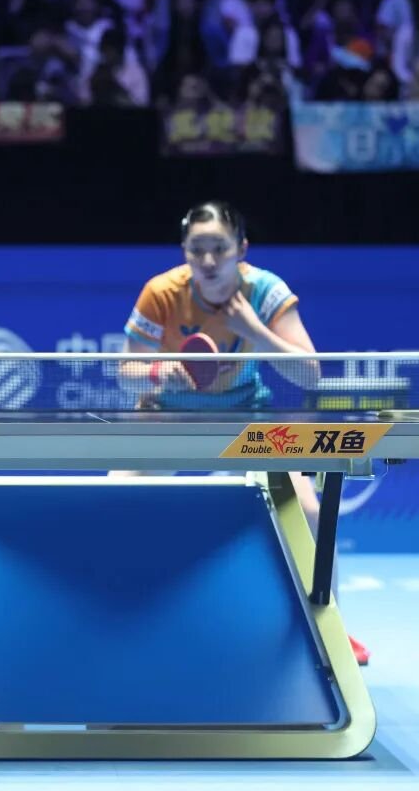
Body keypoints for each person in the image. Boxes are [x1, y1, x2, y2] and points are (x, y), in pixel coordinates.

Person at [119, 201, 370, 666]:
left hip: (246, 421)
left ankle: (332, 627)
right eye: (197, 249)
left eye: (219, 248)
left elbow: (311, 374)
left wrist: (253, 328)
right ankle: (116, 620)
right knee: (116, 498)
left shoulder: (265, 291)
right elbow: (125, 372)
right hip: (169, 420)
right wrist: (158, 372)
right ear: (184, 251)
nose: (208, 260)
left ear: (241, 250)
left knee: (310, 511)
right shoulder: (162, 292)